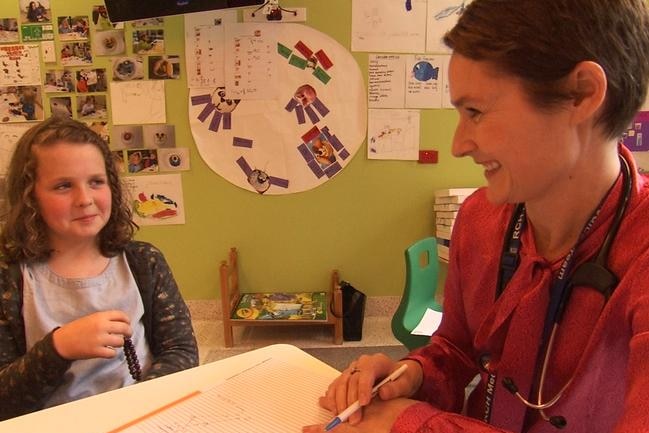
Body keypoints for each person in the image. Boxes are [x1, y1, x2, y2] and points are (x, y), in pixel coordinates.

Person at [303, 1, 649, 433]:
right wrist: (412, 375)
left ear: (581, 94)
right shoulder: (481, 220)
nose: (458, 144)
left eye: (476, 112)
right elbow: (459, 349)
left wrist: (415, 425)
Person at [0, 116, 199, 421]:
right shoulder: (10, 279)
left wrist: (141, 407)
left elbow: (181, 352)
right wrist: (58, 348)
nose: (85, 199)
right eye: (63, 186)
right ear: (30, 196)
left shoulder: (144, 262)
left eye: (96, 182)